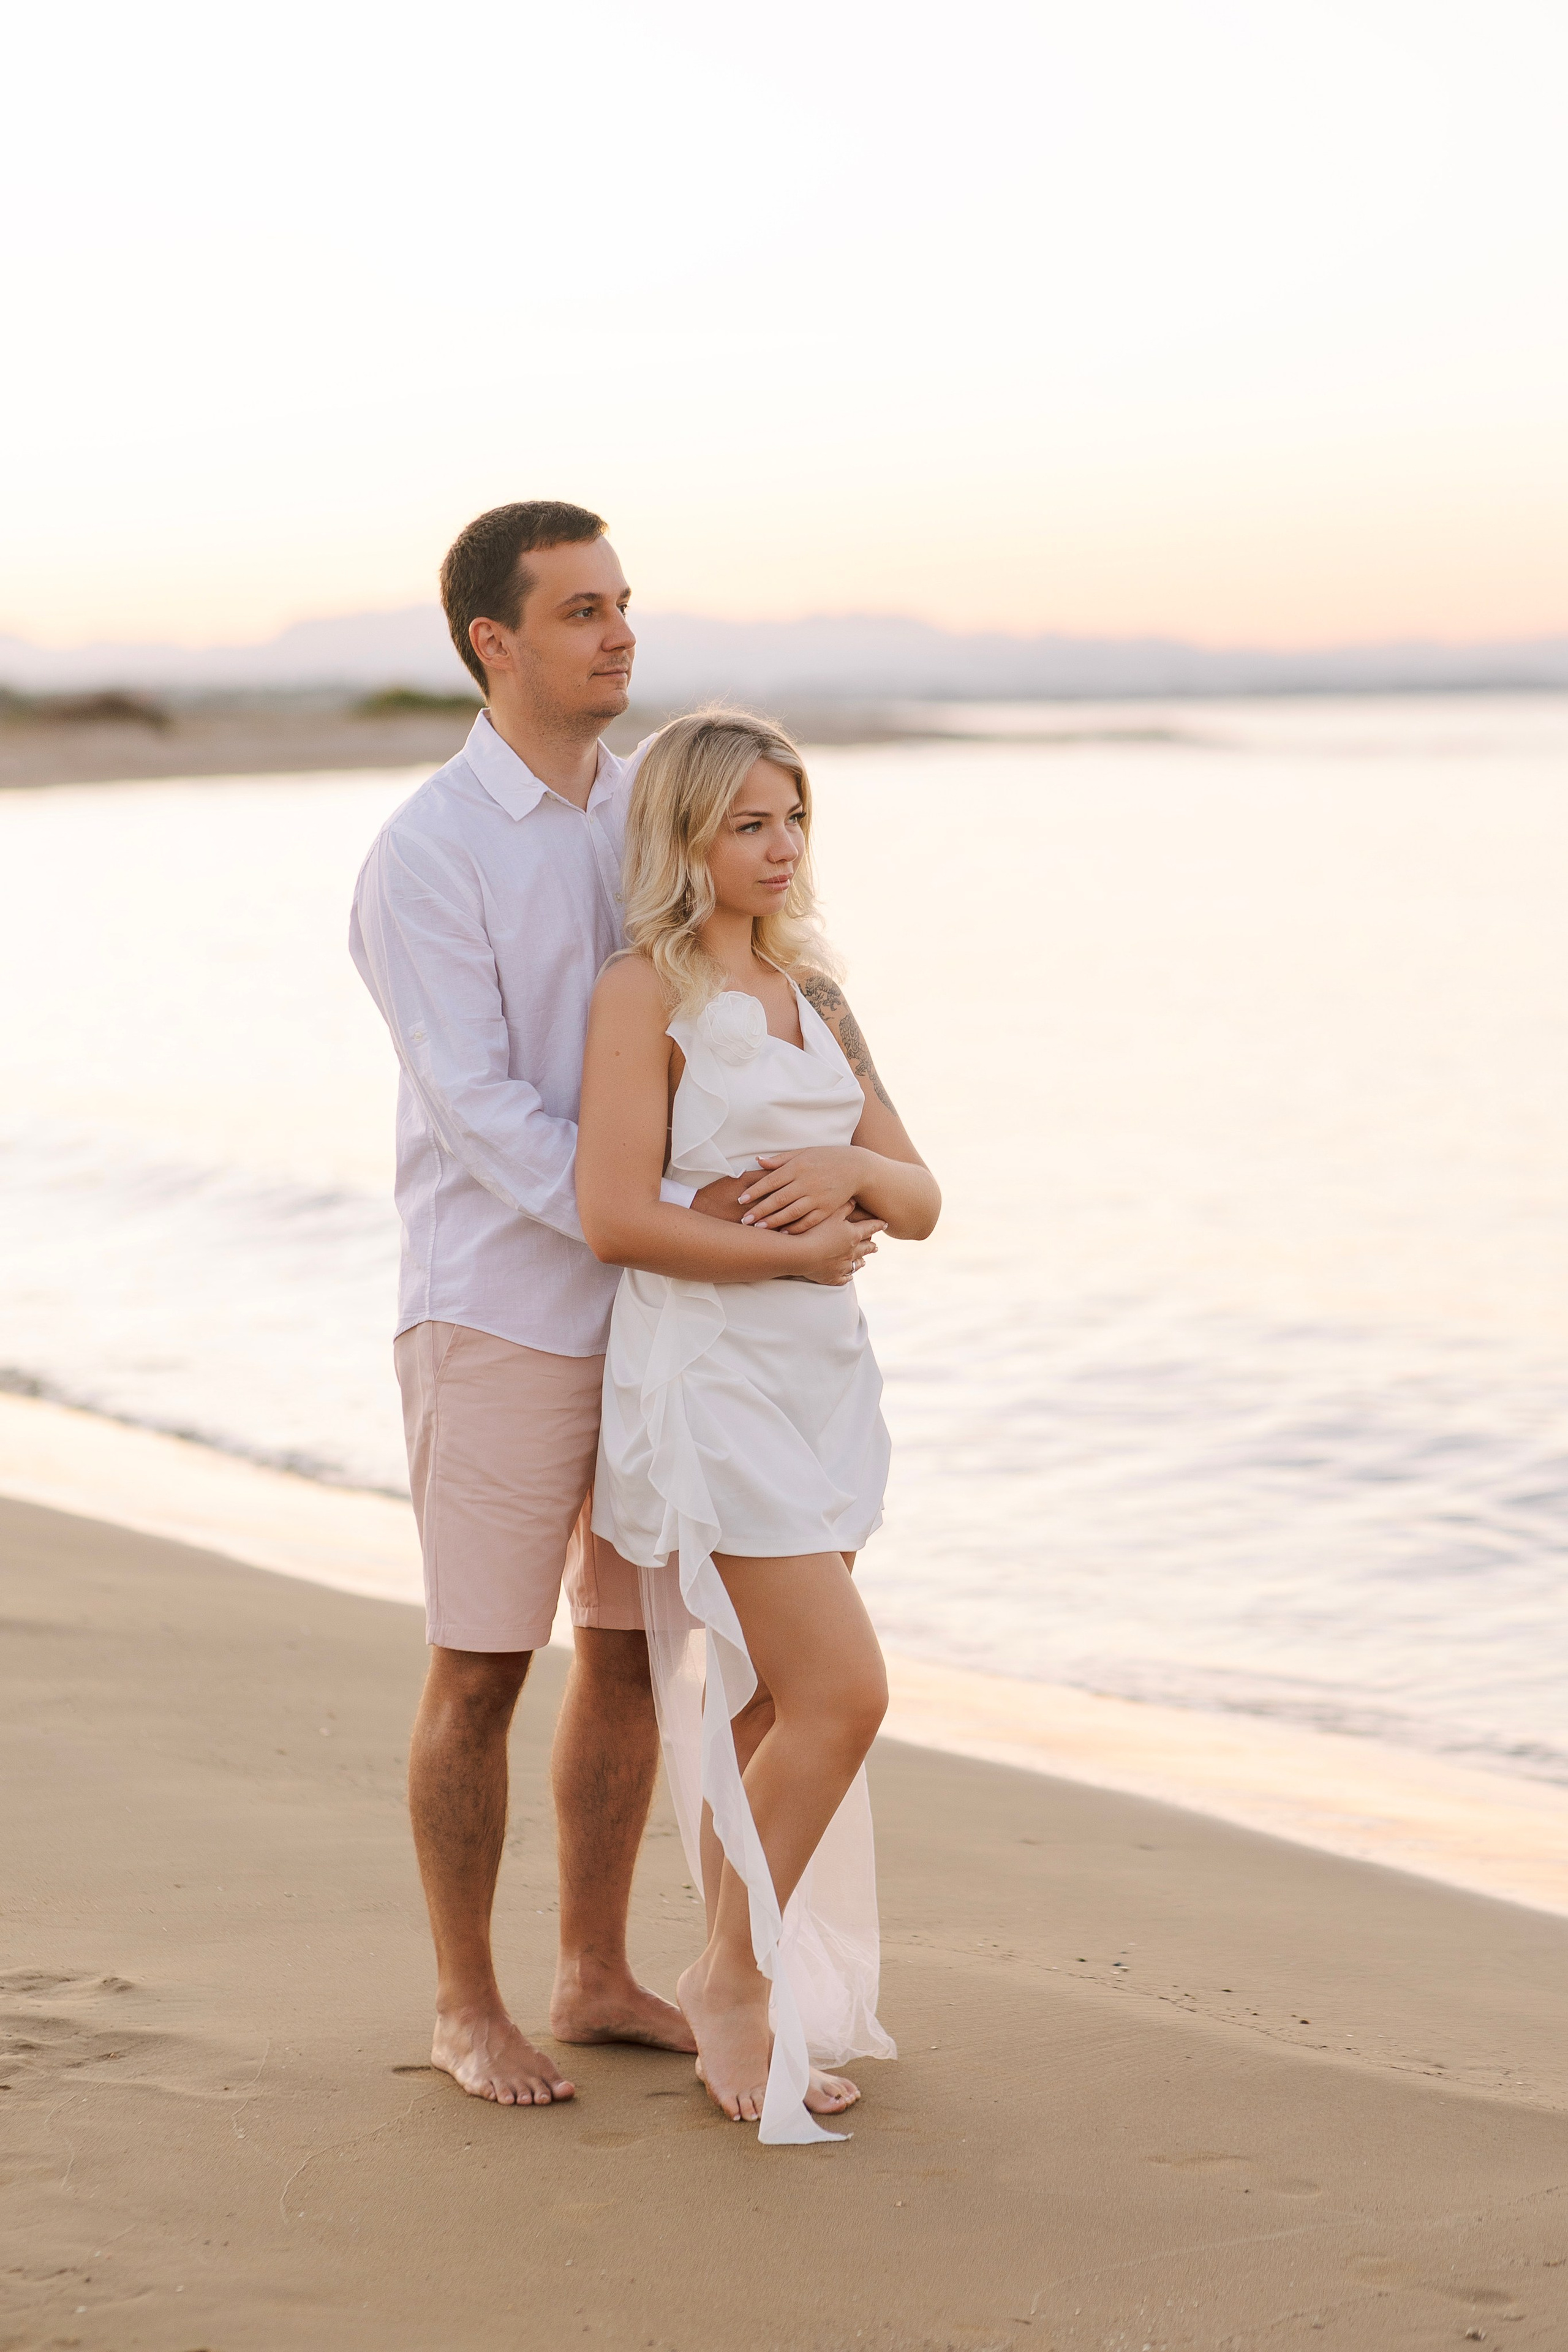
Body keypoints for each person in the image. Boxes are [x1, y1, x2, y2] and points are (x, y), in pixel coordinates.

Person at [349, 500, 885, 2109]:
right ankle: (467, 2006)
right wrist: (657, 1216)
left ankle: (596, 1973)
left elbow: (726, 993)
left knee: (634, 1654)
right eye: (582, 611)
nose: (619, 633)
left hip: (671, 1328)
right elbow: (477, 1105)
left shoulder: (651, 802)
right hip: (505, 1307)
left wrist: (785, 1185)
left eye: (625, 604)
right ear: (490, 643)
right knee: (482, 1665)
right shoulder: (428, 853)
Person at [575, 710, 941, 2143]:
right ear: (682, 839)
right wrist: (788, 1251)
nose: (778, 849)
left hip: (822, 1383)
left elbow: (916, 1203)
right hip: (709, 1378)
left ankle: (732, 1961)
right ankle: (730, 1975)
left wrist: (848, 1163)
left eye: (791, 819)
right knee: (844, 1694)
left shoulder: (820, 997)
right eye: (746, 825)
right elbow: (616, 1216)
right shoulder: (638, 994)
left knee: (778, 1699)